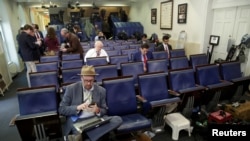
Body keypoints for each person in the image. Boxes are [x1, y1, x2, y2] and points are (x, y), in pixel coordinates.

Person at [59, 66, 121, 140]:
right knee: (99, 134)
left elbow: (104, 109)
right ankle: (93, 135)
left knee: (117, 119)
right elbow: (61, 109)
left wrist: (98, 110)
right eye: (86, 80)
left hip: (95, 119)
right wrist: (77, 107)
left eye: (91, 80)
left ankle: (85, 136)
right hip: (78, 120)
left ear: (94, 78)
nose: (88, 83)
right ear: (81, 78)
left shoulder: (101, 90)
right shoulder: (71, 89)